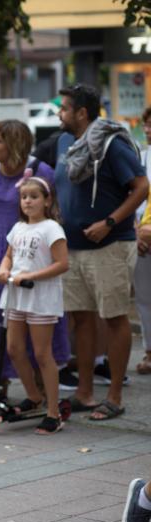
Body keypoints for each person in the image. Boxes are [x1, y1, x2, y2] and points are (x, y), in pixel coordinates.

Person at [55, 83, 148, 420]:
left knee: (113, 318)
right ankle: (85, 393)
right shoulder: (66, 141)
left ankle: (115, 397)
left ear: (82, 112)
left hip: (109, 245)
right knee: (81, 317)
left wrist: (109, 222)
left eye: (64, 108)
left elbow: (141, 187)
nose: (59, 113)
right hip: (74, 246)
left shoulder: (111, 143)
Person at [0, 120, 72, 392]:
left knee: (35, 313)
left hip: (32, 250)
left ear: (14, 144)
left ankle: (41, 381)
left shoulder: (41, 171)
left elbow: (53, 211)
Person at [0, 175, 69, 434]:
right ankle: (34, 397)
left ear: (47, 201)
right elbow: (8, 257)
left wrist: (30, 277)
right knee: (14, 349)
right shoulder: (18, 228)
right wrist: (3, 270)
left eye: (34, 197)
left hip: (40, 296)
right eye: (24, 197)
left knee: (41, 354)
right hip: (16, 294)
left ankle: (53, 412)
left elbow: (62, 264)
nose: (27, 201)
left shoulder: (51, 228)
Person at [134, 106, 151, 375]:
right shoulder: (140, 158)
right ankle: (149, 350)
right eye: (146, 124)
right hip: (141, 237)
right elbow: (130, 197)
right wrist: (136, 230)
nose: (148, 130)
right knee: (145, 298)